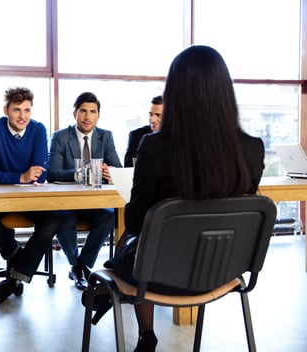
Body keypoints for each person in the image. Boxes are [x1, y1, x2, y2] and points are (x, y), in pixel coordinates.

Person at [87, 45, 265, 352]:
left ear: (176, 95)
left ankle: (119, 304)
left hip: (158, 276)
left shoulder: (155, 147)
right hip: (224, 273)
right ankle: (111, 288)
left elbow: (135, 221)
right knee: (131, 250)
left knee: (126, 246)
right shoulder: (252, 148)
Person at [0, 87, 59, 304]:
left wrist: (13, 177)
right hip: (0, 198)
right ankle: (16, 256)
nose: (23, 116)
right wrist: (20, 177)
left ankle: (14, 278)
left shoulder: (38, 129)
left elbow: (40, 173)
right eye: (17, 110)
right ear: (6, 110)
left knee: (51, 221)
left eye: (27, 110)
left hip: (30, 198)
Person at [48, 92, 122, 290]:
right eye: (83, 111)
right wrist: (79, 173)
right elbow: (52, 173)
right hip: (67, 202)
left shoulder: (105, 137)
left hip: (94, 202)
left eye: (93, 112)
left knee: (108, 217)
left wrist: (111, 172)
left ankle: (82, 266)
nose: (88, 117)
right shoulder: (61, 137)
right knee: (63, 220)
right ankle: (75, 264)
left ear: (98, 115)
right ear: (75, 114)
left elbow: (119, 169)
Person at [123, 96, 163, 167]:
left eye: (158, 115)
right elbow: (128, 168)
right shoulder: (136, 136)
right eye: (151, 114)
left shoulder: (181, 137)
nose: (152, 120)